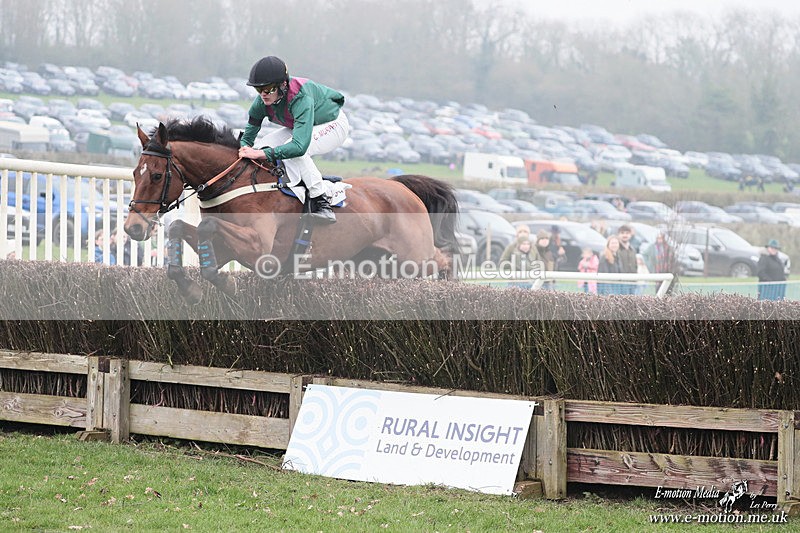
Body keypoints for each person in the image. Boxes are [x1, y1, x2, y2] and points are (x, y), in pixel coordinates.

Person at [238, 56, 350, 224]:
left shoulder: (300, 97)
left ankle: (321, 201)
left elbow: (299, 147)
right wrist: (244, 148)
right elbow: (248, 138)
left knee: (294, 152)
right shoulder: (260, 103)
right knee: (263, 144)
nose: (263, 95)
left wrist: (260, 154)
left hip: (333, 124)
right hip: (305, 124)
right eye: (258, 89)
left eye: (268, 89)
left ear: (283, 85)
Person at [616, 224, 638, 294]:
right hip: (620, 283)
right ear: (618, 235)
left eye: (627, 233)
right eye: (622, 233)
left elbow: (635, 265)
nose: (625, 235)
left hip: (632, 282)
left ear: (630, 235)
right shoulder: (616, 248)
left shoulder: (632, 250)